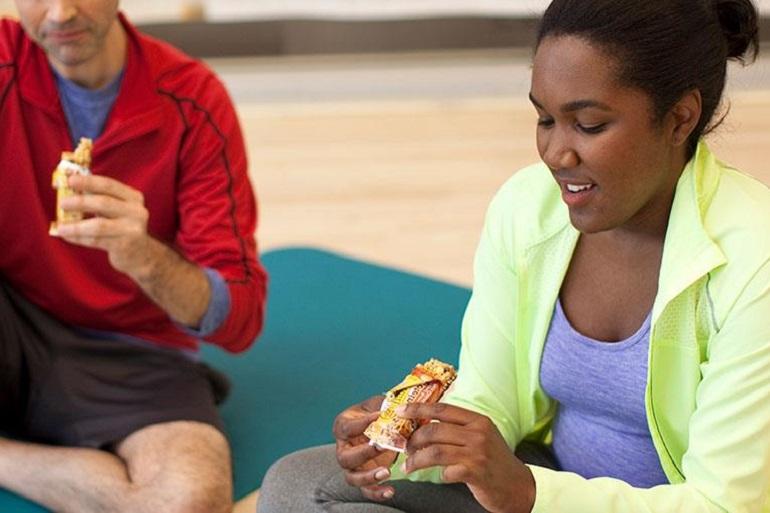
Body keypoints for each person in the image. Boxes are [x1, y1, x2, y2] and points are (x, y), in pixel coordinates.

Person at [256, 0, 770, 512]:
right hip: (547, 483)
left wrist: (526, 491)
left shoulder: (755, 258)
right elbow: (491, 401)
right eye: (545, 119)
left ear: (681, 118)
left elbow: (725, 505)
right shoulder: (529, 208)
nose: (555, 154)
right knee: (297, 484)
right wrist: (413, 433)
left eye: (588, 124)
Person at [0, 1, 267, 512]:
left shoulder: (193, 100)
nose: (59, 15)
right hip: (11, 319)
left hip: (132, 350)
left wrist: (143, 256)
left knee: (189, 501)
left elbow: (241, 319)